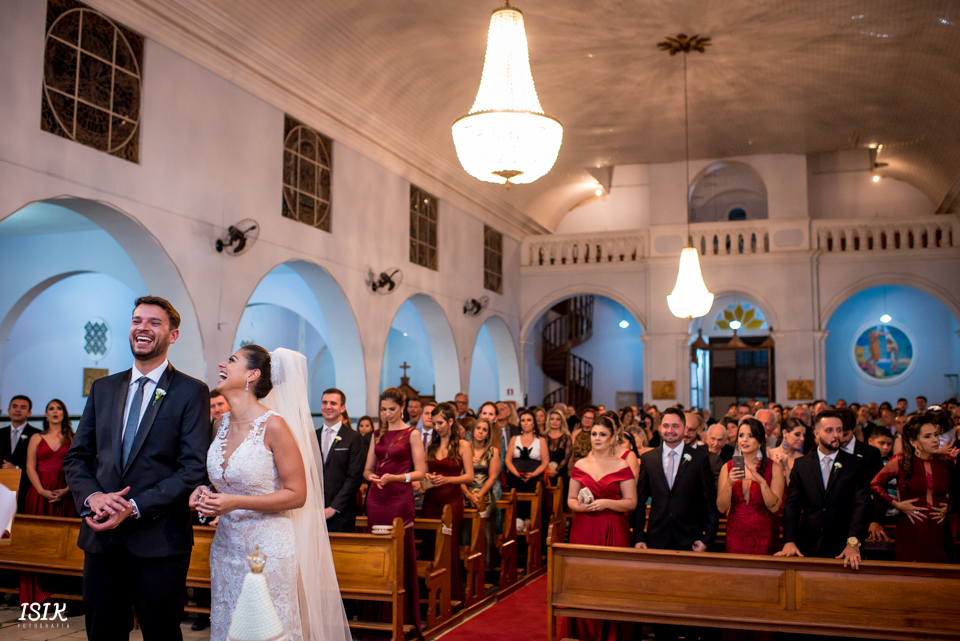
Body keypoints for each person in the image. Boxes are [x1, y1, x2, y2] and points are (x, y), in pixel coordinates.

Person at [63, 296, 211, 640]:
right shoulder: (103, 388)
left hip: (158, 541)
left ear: (172, 336)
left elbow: (192, 468)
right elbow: (77, 457)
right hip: (102, 541)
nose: (142, 328)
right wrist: (93, 497)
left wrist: (133, 506)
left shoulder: (191, 392)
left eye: (154, 323)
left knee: (161, 633)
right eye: (136, 321)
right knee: (102, 633)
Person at [193, 347, 351, 641]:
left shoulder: (274, 425)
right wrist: (203, 492)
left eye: (231, 360)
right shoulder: (219, 424)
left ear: (252, 375)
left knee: (265, 630)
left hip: (267, 548)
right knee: (228, 625)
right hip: (226, 546)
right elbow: (224, 483)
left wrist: (235, 502)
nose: (221, 363)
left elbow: (297, 495)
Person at [557, 416, 637, 641]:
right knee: (583, 581)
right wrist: (581, 507)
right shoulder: (581, 465)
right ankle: (582, 634)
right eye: (594, 434)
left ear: (613, 438)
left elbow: (631, 502)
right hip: (584, 528)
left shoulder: (622, 465)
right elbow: (570, 500)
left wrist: (607, 503)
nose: (597, 438)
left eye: (602, 434)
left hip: (613, 528)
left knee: (612, 583)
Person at [364, 387, 426, 631]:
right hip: (377, 497)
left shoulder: (412, 434)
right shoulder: (377, 434)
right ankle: (378, 619)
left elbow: (421, 471)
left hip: (400, 497)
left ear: (402, 408)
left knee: (400, 551)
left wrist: (397, 478)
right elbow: (367, 469)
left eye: (392, 409)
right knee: (378, 553)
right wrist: (373, 478)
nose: (387, 413)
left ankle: (404, 617)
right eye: (383, 409)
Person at [776, 410, 870, 568]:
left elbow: (862, 505)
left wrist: (853, 542)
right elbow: (792, 505)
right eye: (829, 430)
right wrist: (790, 541)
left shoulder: (856, 465)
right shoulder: (802, 465)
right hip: (807, 544)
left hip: (843, 546)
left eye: (839, 430)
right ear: (816, 433)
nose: (836, 435)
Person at [870, 412, 954, 562]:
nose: (935, 440)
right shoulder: (901, 461)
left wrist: (949, 508)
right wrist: (897, 505)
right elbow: (875, 484)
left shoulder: (945, 462)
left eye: (936, 435)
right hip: (911, 526)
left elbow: (956, 492)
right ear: (914, 442)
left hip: (940, 529)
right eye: (928, 436)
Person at [633, 408, 719, 552]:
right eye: (666, 426)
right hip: (656, 536)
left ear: (684, 429)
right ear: (660, 428)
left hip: (690, 538)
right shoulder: (649, 459)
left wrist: (707, 539)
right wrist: (639, 537)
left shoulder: (699, 459)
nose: (670, 430)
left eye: (675, 426)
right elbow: (640, 501)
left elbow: (709, 502)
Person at [19, 399, 76, 606]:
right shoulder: (36, 437)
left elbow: (79, 468)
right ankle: (37, 595)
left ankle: (63, 595)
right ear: (45, 414)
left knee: (64, 545)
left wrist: (69, 489)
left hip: (66, 494)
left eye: (59, 408)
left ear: (64, 414)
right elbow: (29, 467)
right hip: (39, 494)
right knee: (37, 542)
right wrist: (41, 490)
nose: (55, 411)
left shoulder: (72, 437)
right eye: (51, 408)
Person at [421, 403, 474, 602]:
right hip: (431, 500)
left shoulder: (463, 445)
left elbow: (469, 477)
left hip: (452, 500)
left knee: (448, 545)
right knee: (430, 544)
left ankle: (450, 595)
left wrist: (448, 479)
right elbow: (426, 475)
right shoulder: (431, 446)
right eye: (434, 424)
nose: (437, 427)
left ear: (451, 421)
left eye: (440, 423)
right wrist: (426, 478)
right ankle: (429, 593)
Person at [717, 418, 784, 554]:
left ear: (760, 441)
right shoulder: (728, 467)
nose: (744, 440)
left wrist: (762, 483)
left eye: (751, 436)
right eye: (741, 435)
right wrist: (729, 484)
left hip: (765, 534)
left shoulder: (773, 467)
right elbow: (722, 508)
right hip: (735, 533)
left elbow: (774, 507)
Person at [315, 388, 365, 533]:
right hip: (315, 510)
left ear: (342, 408)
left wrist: (333, 508)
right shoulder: (312, 436)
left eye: (333, 403)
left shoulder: (353, 438)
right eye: (324, 402)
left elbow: (354, 477)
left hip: (341, 512)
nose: (328, 407)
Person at [461, 418, 501, 570]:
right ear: (472, 430)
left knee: (486, 534)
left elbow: (492, 477)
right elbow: (460, 474)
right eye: (478, 428)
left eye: (484, 430)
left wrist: (479, 495)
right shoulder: (464, 449)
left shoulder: (493, 451)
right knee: (466, 533)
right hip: (466, 495)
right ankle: (467, 567)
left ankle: (487, 568)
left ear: (488, 434)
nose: (481, 432)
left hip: (486, 497)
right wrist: (468, 494)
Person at [505, 409, 549, 531]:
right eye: (523, 420)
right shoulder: (515, 438)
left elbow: (545, 462)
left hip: (534, 480)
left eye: (529, 420)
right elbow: (508, 460)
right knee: (517, 509)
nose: (526, 423)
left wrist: (533, 474)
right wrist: (517, 474)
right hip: (516, 479)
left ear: (534, 423)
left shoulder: (541, 440)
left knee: (533, 510)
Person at [2, 395, 41, 511]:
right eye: (14, 407)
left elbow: (41, 463)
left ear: (29, 413)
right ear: (9, 411)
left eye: (23, 407)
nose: (18, 410)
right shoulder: (1, 433)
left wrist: (16, 468)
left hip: (26, 489)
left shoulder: (37, 434)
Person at [769, 417, 808, 485]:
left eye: (803, 435)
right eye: (797, 434)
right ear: (785, 433)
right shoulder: (769, 454)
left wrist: (786, 468)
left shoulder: (802, 459)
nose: (802, 438)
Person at [544, 408, 572, 488]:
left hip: (561, 473)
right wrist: (547, 469)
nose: (555, 421)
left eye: (558, 419)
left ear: (561, 422)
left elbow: (567, 457)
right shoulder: (543, 437)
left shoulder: (567, 438)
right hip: (546, 473)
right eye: (552, 419)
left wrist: (556, 470)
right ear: (549, 421)